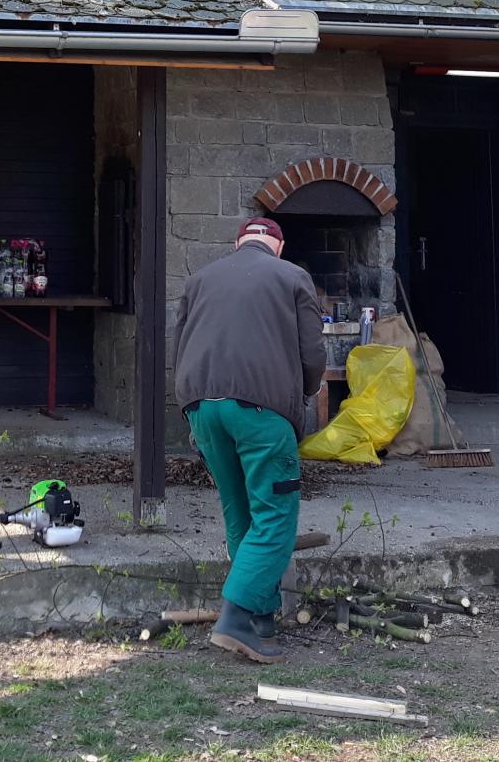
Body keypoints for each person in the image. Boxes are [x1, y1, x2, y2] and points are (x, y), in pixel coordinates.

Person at [172, 215, 324, 664]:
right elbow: (313, 353)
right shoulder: (293, 276)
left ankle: (261, 619)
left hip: (202, 407)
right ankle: (235, 618)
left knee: (239, 513)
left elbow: (179, 345)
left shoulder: (200, 279)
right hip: (262, 411)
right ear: (279, 246)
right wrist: (305, 393)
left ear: (238, 243)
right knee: (274, 516)